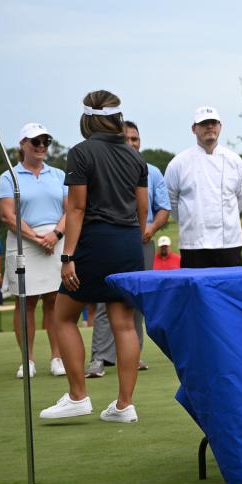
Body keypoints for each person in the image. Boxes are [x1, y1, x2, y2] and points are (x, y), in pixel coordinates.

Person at [39, 90, 148, 423]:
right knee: (124, 324)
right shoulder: (135, 156)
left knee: (63, 316)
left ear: (88, 118)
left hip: (94, 244)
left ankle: (77, 396)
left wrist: (67, 256)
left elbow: (77, 207)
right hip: (129, 243)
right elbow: (142, 208)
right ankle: (124, 405)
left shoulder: (81, 152)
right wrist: (131, 238)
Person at [86, 120, 171, 378]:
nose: (132, 143)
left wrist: (151, 229)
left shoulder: (153, 172)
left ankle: (132, 357)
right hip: (110, 241)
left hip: (142, 241)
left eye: (135, 139)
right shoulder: (106, 168)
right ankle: (99, 358)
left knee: (136, 300)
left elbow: (163, 209)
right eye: (126, 139)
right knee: (105, 300)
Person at [0, 122, 68, 378]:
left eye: (45, 142)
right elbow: (7, 215)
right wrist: (37, 238)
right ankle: (27, 360)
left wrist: (56, 234)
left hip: (55, 239)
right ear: (23, 145)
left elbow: (70, 210)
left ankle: (57, 357)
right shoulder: (10, 176)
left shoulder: (59, 175)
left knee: (54, 300)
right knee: (25, 302)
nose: (41, 146)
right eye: (35, 142)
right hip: (24, 240)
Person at [165, 106, 242, 268]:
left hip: (229, 242)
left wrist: (227, 216)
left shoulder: (235, 161)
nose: (209, 127)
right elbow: (171, 201)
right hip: (193, 243)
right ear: (194, 128)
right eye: (204, 123)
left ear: (220, 126)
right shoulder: (178, 163)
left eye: (213, 123)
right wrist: (190, 219)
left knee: (229, 290)